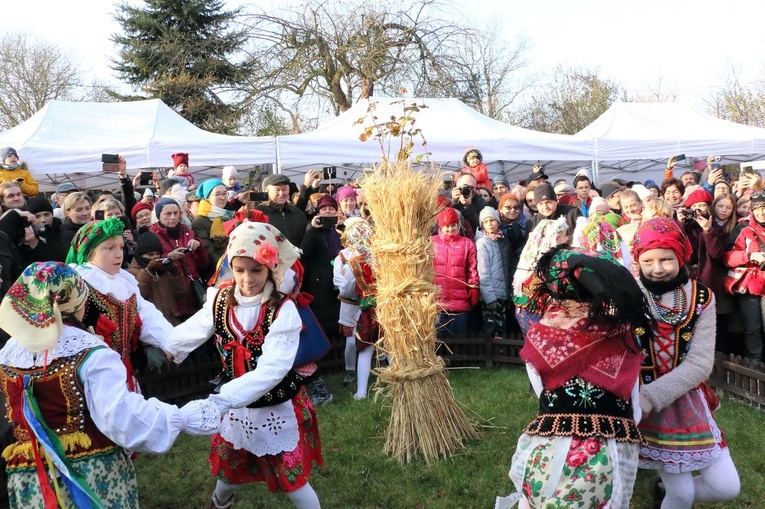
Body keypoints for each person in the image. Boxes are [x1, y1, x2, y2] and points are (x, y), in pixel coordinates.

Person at [0, 262, 220, 508]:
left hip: (30, 476)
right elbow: (120, 419)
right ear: (77, 301)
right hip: (90, 474)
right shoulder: (90, 353)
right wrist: (179, 417)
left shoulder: (9, 353)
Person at [165, 222, 323, 509]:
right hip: (237, 406)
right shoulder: (221, 299)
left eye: (256, 270)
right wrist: (170, 346)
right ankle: (218, 503)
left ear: (271, 269)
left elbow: (273, 368)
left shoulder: (282, 310)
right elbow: (195, 328)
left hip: (274, 402)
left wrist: (223, 400)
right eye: (239, 270)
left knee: (294, 480)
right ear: (230, 266)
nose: (247, 279)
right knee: (229, 470)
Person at [495, 247, 651, 509]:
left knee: (541, 498)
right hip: (608, 451)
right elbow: (633, 403)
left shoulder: (541, 336)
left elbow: (541, 389)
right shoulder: (622, 335)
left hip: (550, 444)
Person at [633, 217, 740, 509]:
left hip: (684, 397)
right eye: (648, 260)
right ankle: (668, 498)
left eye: (666, 259)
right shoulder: (628, 295)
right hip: (639, 403)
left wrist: (652, 396)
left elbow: (700, 364)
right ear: (637, 259)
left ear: (681, 255)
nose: (657, 268)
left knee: (726, 487)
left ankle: (661, 491)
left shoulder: (702, 297)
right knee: (681, 496)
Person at [66, 218, 177, 389]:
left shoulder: (125, 281)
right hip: (92, 376)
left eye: (120, 247)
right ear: (88, 252)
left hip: (124, 369)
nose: (119, 254)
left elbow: (147, 315)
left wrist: (170, 342)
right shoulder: (79, 284)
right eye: (109, 248)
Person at [336, 218, 378, 400]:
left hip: (367, 309)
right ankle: (395, 383)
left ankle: (361, 391)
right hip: (388, 307)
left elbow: (346, 289)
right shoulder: (383, 257)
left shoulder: (352, 263)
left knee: (365, 348)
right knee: (391, 348)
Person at [149, 197, 210, 319]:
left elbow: (203, 264)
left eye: (175, 213)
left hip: (194, 293)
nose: (172, 217)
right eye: (168, 214)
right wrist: (168, 258)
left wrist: (199, 247)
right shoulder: (152, 236)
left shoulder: (189, 232)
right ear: (159, 215)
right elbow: (149, 267)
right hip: (171, 296)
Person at [512, 217, 568, 337]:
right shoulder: (546, 263)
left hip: (528, 312)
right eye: (564, 236)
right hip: (537, 314)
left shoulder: (533, 259)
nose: (567, 239)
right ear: (553, 239)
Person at [432, 207, 478, 337]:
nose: (451, 229)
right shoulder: (431, 242)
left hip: (460, 300)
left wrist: (473, 287)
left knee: (458, 340)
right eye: (447, 226)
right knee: (438, 341)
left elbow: (471, 268)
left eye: (453, 225)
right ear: (440, 226)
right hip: (437, 300)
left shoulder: (467, 244)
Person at [128, 230, 188, 326]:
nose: (155, 257)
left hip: (171, 321)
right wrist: (148, 270)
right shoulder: (133, 271)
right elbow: (139, 296)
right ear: (141, 255)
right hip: (151, 326)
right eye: (150, 255)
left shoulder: (164, 270)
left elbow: (181, 293)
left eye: (157, 254)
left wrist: (174, 271)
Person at [475, 207, 510, 340]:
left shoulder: (501, 240)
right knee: (491, 327)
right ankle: (490, 356)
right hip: (491, 295)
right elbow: (483, 272)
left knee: (501, 328)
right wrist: (489, 297)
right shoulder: (483, 243)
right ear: (482, 224)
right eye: (486, 221)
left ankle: (499, 356)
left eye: (493, 220)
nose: (490, 224)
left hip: (501, 293)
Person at [192, 179, 235, 271]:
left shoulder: (229, 214)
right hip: (218, 269)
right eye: (217, 194)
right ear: (207, 197)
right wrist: (224, 268)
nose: (222, 197)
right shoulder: (200, 220)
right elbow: (209, 250)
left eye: (224, 194)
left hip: (234, 262)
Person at [257, 174, 309, 248]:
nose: (281, 194)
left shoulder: (297, 213)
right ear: (267, 191)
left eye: (284, 189)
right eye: (277, 190)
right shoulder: (259, 213)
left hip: (296, 258)